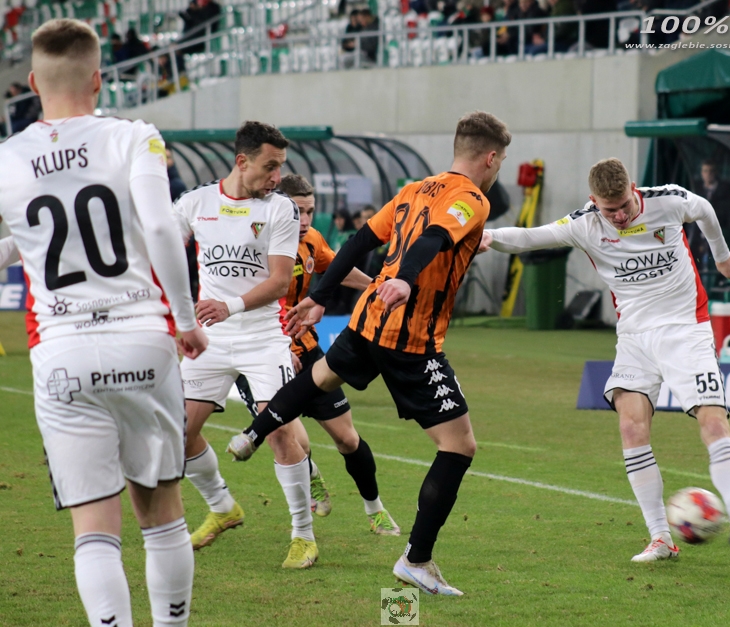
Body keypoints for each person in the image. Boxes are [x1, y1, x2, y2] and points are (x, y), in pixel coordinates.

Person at [227, 111, 511, 595]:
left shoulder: (414, 189)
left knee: (320, 376)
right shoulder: (472, 198)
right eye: (500, 160)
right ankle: (416, 560)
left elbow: (362, 239)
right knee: (459, 446)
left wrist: (320, 296)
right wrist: (407, 279)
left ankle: (254, 433)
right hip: (411, 339)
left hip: (367, 320)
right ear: (490, 158)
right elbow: (435, 238)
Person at [0, 18, 207, 627]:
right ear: (98, 78)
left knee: (93, 530)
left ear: (32, 82)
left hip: (61, 351)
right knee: (162, 514)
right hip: (141, 339)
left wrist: (24, 246)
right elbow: (162, 227)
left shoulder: (7, 158)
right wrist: (187, 320)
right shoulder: (133, 137)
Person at [482, 157, 730, 562]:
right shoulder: (585, 223)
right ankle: (661, 538)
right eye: (608, 209)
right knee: (631, 427)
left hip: (685, 329)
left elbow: (704, 208)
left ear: (633, 189)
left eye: (623, 206)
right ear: (593, 200)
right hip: (634, 338)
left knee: (712, 419)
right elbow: (531, 237)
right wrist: (487, 235)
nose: (618, 216)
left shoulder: (666, 201)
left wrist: (721, 255)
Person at [172, 121, 321, 569]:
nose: (277, 177)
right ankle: (222, 507)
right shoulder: (195, 203)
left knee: (278, 431)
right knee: (178, 433)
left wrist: (228, 306)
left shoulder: (280, 209)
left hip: (262, 337)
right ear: (242, 161)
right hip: (210, 338)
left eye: (281, 167)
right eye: (270, 167)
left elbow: (280, 281)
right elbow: (159, 252)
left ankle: (303, 536)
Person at [230, 173, 401, 536]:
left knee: (348, 439)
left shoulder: (312, 240)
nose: (305, 220)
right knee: (293, 439)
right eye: (298, 211)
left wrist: (376, 287)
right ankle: (309, 478)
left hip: (307, 351)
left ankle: (375, 509)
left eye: (310, 211)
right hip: (262, 352)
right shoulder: (254, 242)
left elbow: (336, 269)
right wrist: (280, 346)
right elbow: (243, 302)